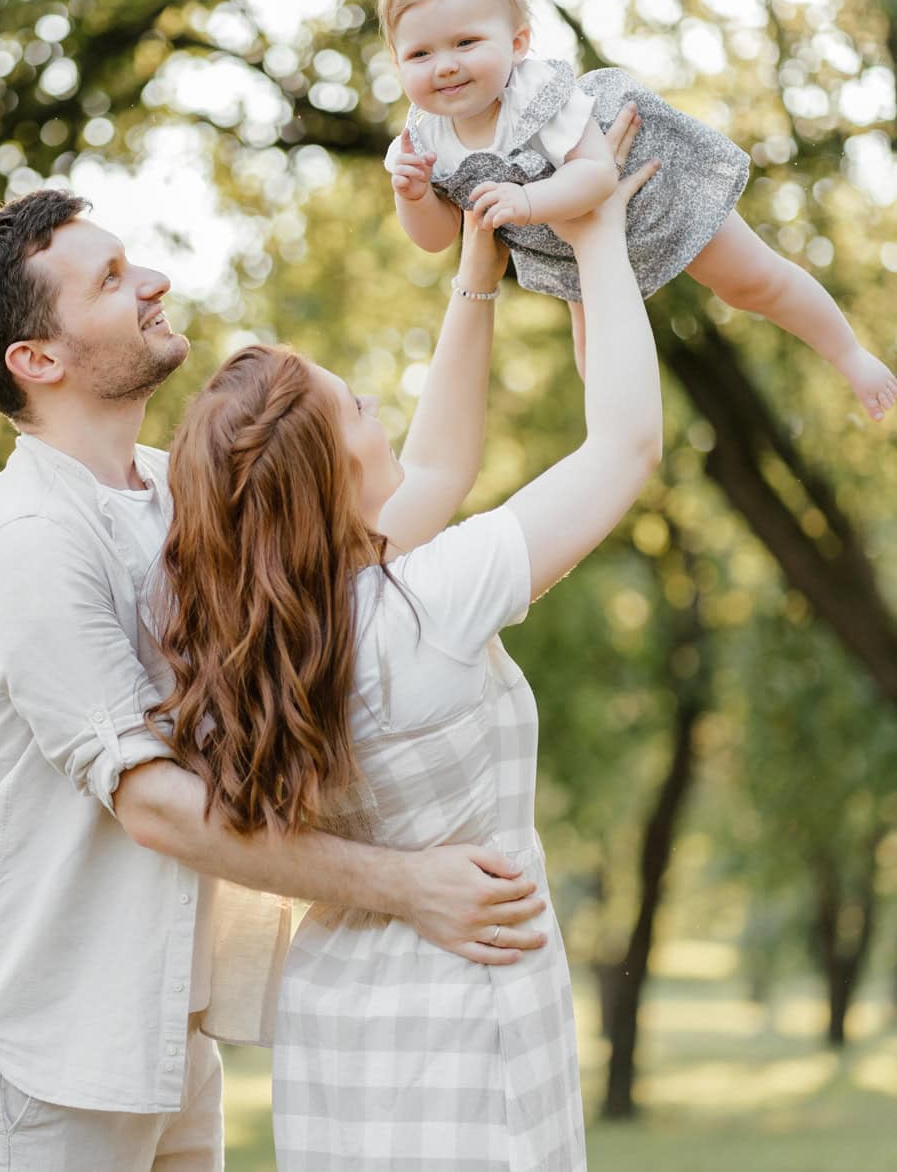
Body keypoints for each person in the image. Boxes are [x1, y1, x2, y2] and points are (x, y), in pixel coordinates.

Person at [0, 191, 547, 1171]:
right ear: (37, 360)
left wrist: (475, 274)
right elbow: (156, 808)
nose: (154, 282)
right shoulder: (33, 543)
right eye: (111, 280)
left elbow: (419, 491)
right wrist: (403, 886)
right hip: (42, 1042)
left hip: (165, 1024)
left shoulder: (176, 493)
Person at [151, 108, 662, 1170]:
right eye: (357, 411)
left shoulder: (261, 640)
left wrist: (473, 278)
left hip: (340, 1019)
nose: (382, 405)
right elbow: (623, 446)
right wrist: (599, 230)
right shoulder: (428, 602)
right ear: (329, 481)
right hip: (466, 1005)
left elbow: (434, 468)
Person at [381, 0, 896, 421]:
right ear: (397, 62)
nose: (444, 65)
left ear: (517, 43)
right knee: (594, 350)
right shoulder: (424, 140)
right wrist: (415, 195)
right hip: (573, 247)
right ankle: (623, 442)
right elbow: (438, 238)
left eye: (466, 42)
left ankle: (849, 354)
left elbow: (598, 174)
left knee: (749, 282)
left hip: (648, 189)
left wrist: (527, 202)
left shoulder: (536, 95)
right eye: (420, 53)